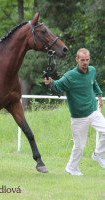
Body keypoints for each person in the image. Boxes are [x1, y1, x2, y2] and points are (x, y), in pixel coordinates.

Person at [44, 48, 105, 176]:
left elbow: (93, 83)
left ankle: (98, 154)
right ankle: (71, 168)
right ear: (77, 59)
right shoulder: (70, 76)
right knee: (79, 147)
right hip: (78, 118)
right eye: (82, 60)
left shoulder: (92, 70)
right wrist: (50, 84)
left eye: (87, 60)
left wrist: (99, 97)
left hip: (93, 111)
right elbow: (57, 86)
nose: (85, 63)